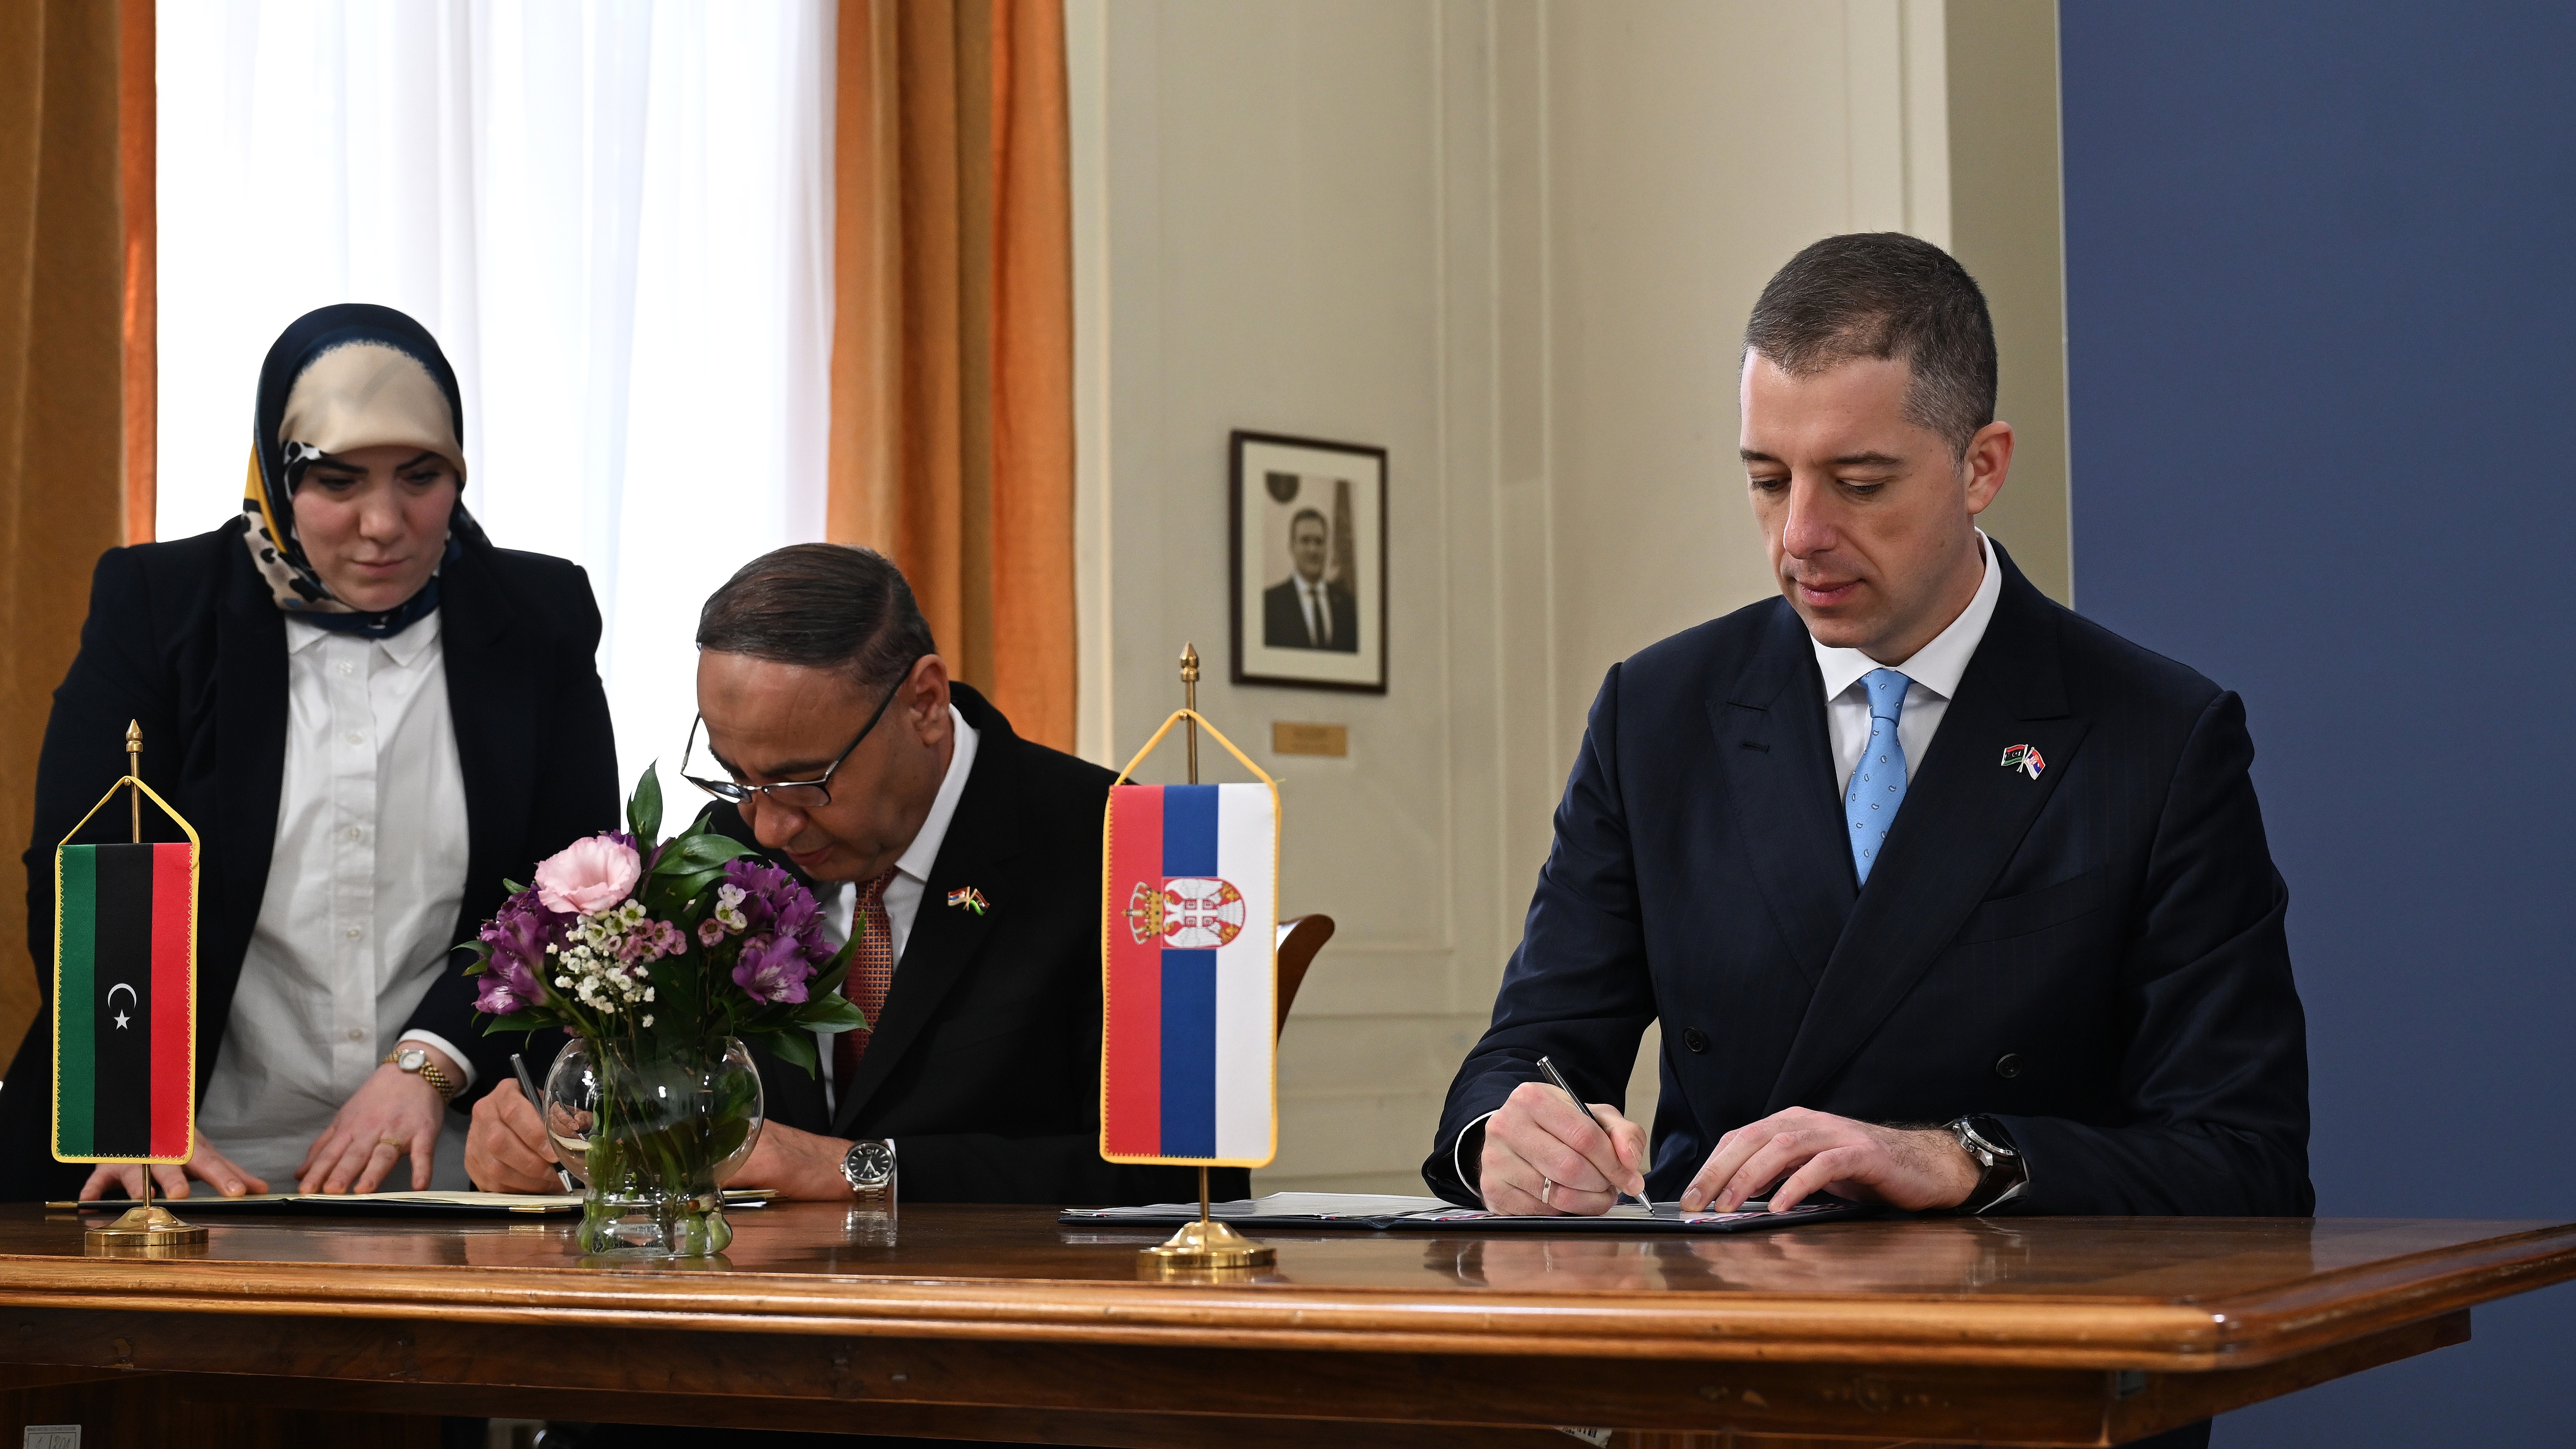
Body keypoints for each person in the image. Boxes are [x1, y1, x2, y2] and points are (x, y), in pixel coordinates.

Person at [1426, 234, 2310, 1231]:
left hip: (2017, 1315)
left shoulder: (2159, 736)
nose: (1802, 534)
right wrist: (1510, 1135)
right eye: (1769, 480)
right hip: (1721, 1309)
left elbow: (2247, 1159)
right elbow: (1530, 1049)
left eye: (1858, 483)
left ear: (1981, 466)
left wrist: (1965, 1157)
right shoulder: (1658, 712)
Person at [0, 304, 620, 1204]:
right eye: (338, 481)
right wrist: (131, 1100)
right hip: (182, 1158)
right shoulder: (160, 605)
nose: (384, 523)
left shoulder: (539, 616)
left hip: (449, 1163)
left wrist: (429, 1060)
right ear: (276, 470)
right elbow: (89, 868)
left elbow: (574, 888)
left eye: (421, 477)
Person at [465, 544, 1233, 1207]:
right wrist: (545, 1132)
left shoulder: (1130, 851)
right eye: (737, 777)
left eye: (806, 781)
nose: (772, 826)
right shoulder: (725, 849)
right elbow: (652, 1097)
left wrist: (860, 1169)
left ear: (924, 702)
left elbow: (1193, 1179)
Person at [1261, 508, 1358, 651]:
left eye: (1319, 542)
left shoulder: (1348, 605)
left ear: (1327, 548)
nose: (1313, 550)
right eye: (1305, 541)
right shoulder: (1269, 604)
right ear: (1292, 547)